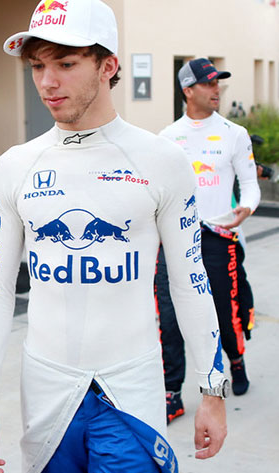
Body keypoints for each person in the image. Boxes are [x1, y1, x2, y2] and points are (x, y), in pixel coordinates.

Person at [0, 1, 228, 472]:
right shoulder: (14, 166)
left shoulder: (162, 161)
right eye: (38, 66)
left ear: (108, 66)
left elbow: (190, 282)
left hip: (131, 387)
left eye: (66, 64)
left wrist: (212, 388)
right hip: (45, 389)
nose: (47, 82)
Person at [157, 58, 261, 419]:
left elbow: (250, 185)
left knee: (224, 314)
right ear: (188, 91)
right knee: (170, 320)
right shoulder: (167, 138)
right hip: (175, 241)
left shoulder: (234, 133)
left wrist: (246, 208)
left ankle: (236, 361)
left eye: (218, 83)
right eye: (208, 83)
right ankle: (172, 392)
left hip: (219, 237)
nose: (216, 89)